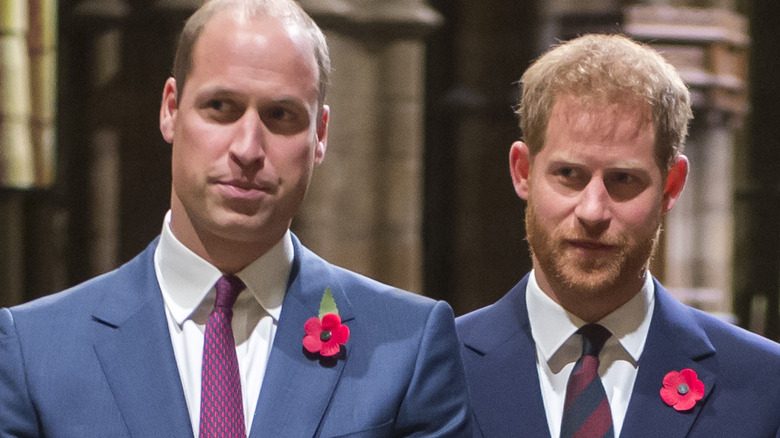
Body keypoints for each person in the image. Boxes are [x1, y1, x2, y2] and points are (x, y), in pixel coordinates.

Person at [0, 0, 472, 436]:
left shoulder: (405, 346)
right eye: (220, 107)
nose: (248, 149)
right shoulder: (34, 352)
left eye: (281, 114)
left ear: (321, 134)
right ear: (170, 109)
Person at [456, 33, 780, 438]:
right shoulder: (438, 370)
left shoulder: (765, 384)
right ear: (523, 171)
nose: (593, 211)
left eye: (623, 179)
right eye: (569, 175)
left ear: (672, 185)